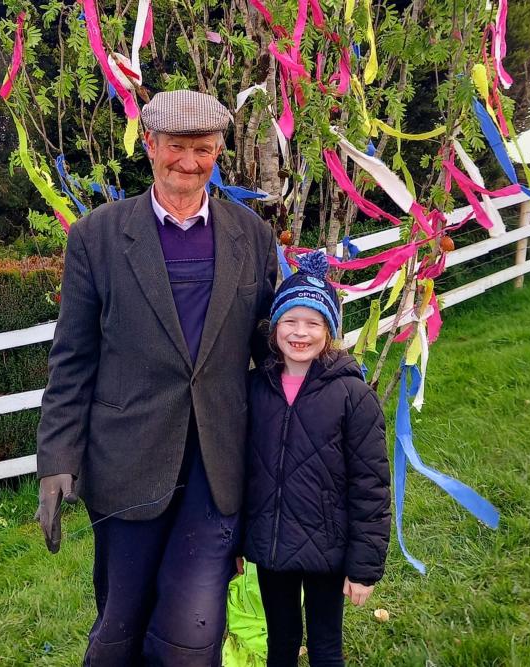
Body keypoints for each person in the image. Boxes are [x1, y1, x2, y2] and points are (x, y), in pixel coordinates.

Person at [35, 89, 278, 666]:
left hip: (217, 466)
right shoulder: (96, 237)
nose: (189, 163)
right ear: (149, 144)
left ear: (218, 151)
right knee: (122, 619)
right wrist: (57, 460)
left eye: (203, 149)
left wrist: (328, 381)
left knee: (193, 630)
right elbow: (73, 359)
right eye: (176, 147)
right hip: (127, 462)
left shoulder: (251, 236)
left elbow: (269, 352)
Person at [241, 251, 391, 667]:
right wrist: (236, 541)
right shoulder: (256, 389)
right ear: (274, 328)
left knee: (325, 647)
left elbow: (371, 485)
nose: (300, 333)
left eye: (313, 323)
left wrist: (364, 568)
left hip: (328, 547)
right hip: (272, 547)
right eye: (290, 321)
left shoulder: (352, 396)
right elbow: (242, 472)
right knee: (281, 643)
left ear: (329, 331)